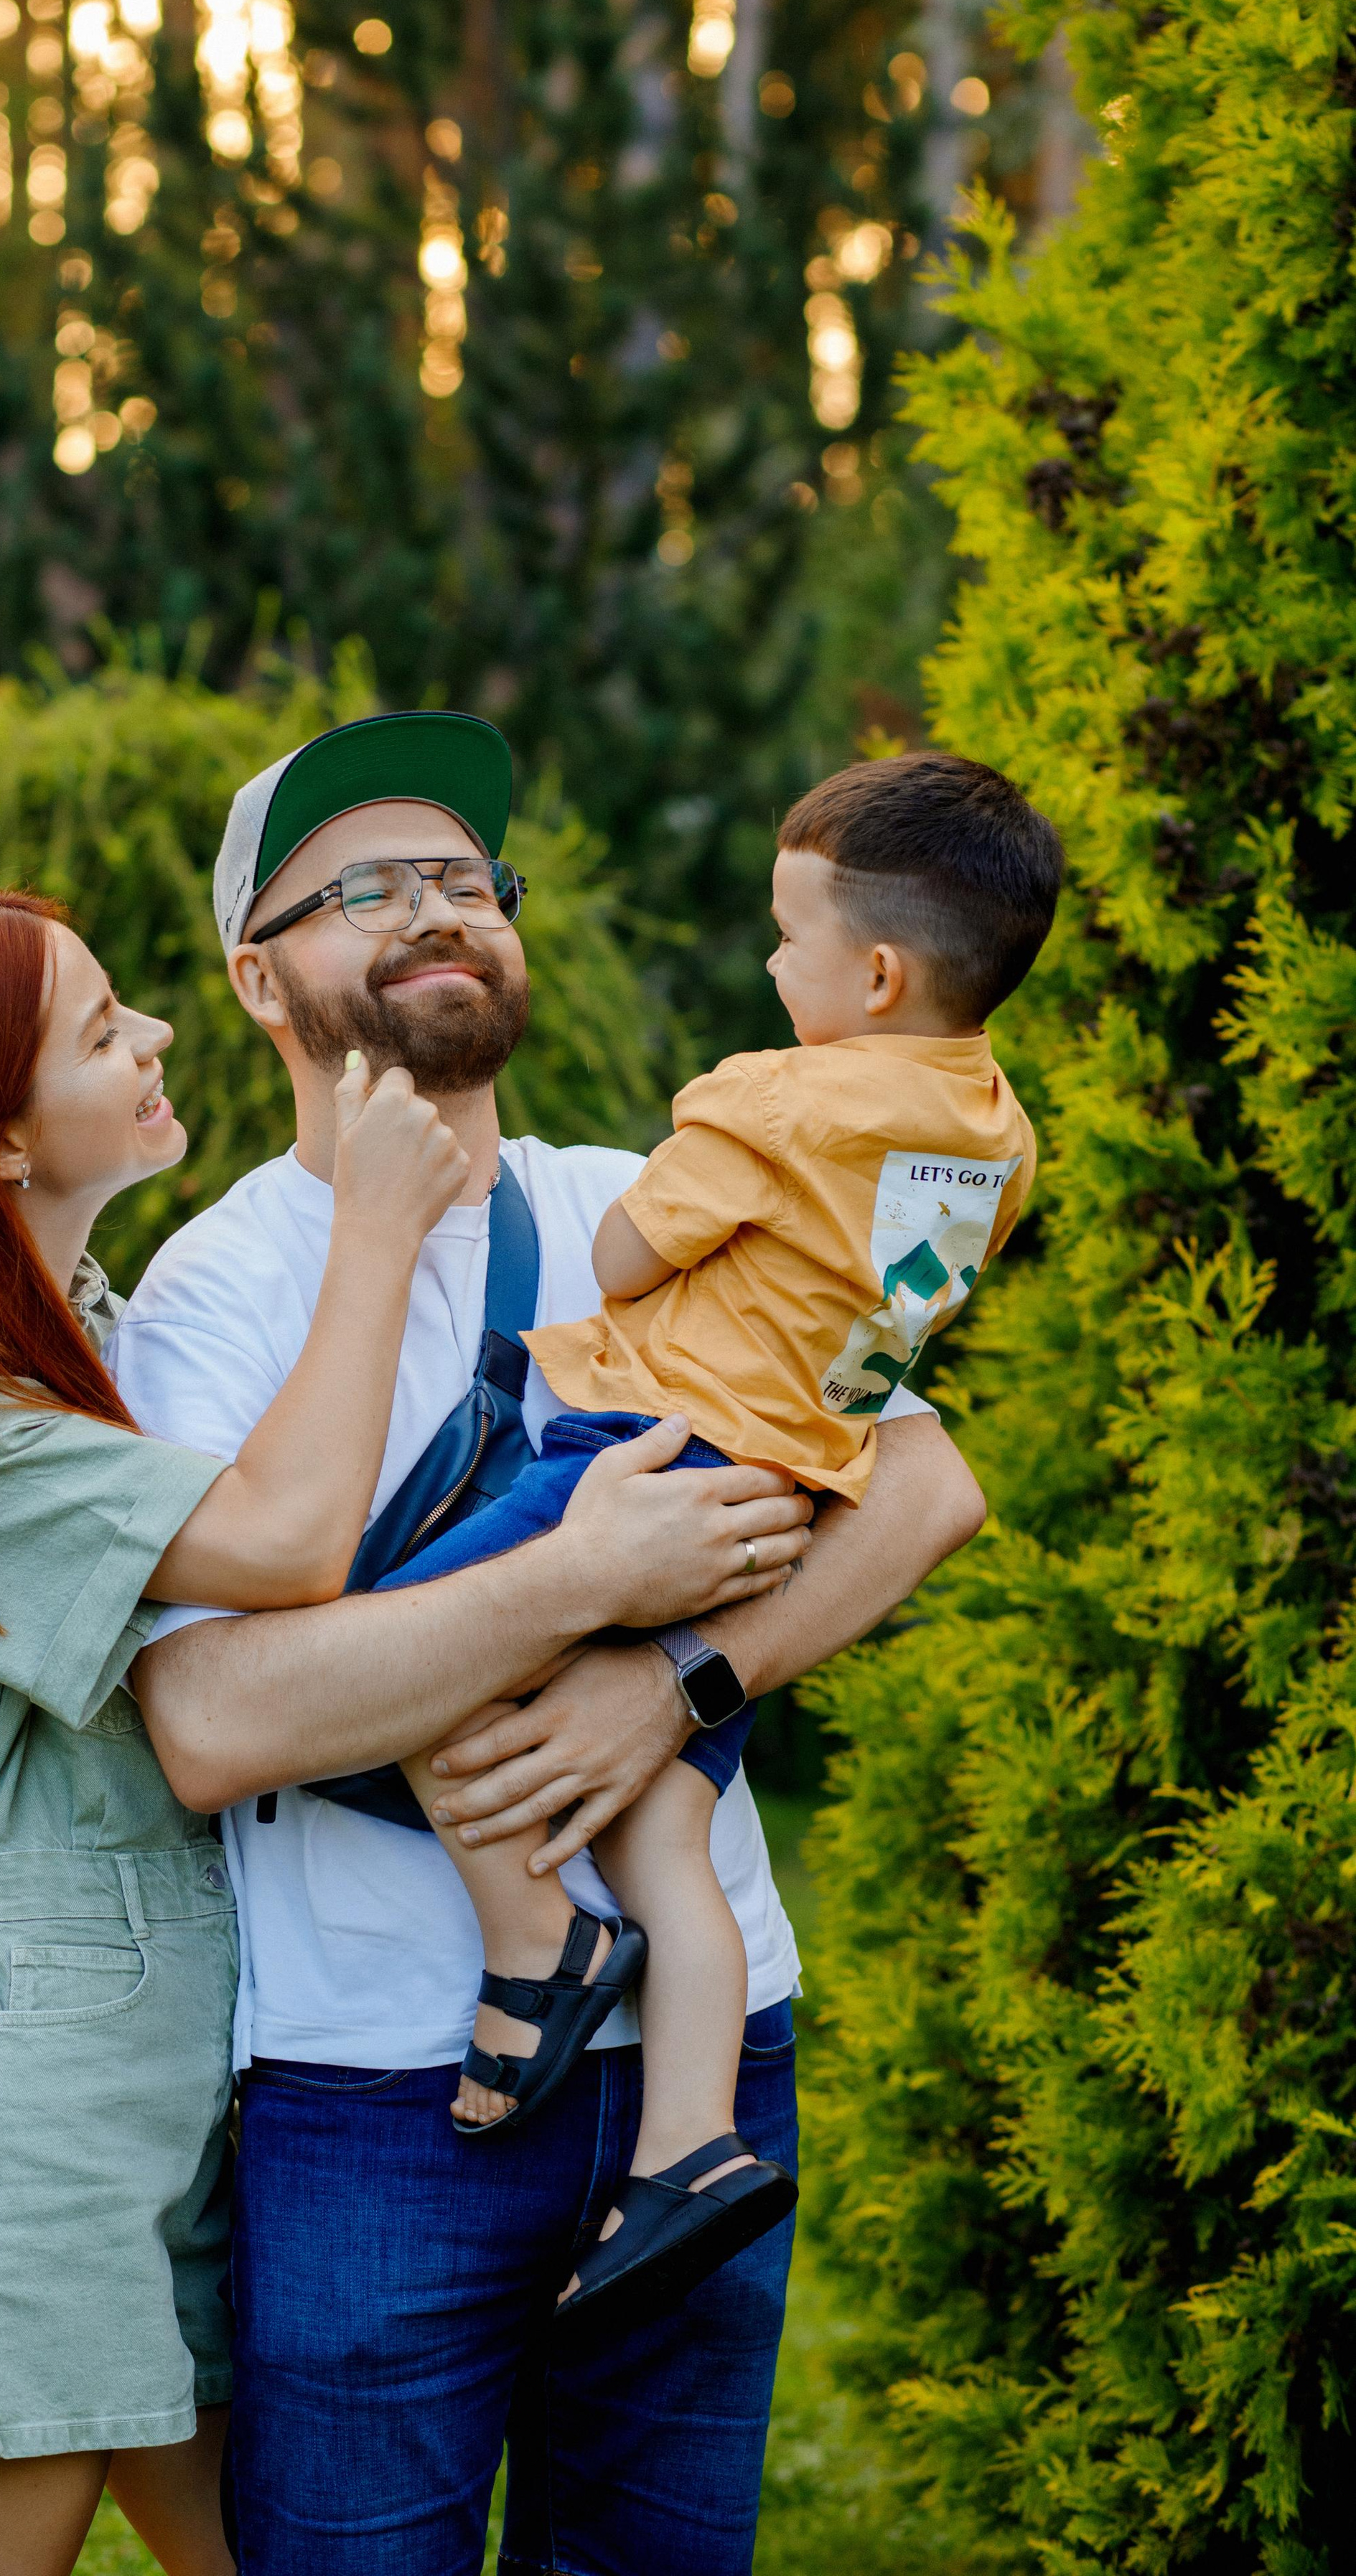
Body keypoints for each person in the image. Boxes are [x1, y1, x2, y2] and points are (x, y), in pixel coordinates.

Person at [0, 888, 780, 2576]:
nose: (156, 1038)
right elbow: (283, 1550)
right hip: (18, 2084)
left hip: (165, 2058)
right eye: (101, 1027)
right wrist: (368, 1238)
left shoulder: (76, 1345)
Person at [112, 711, 992, 2576]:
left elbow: (917, 1487)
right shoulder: (216, 1297)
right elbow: (204, 1723)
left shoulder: (641, 1204)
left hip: (714, 2053)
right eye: (372, 887)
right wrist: (580, 1580)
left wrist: (673, 1684)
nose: (441, 909)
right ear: (260, 978)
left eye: (465, 881)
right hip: (380, 2085)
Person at [368, 751, 1060, 2330]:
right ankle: (687, 2144)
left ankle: (532, 1944)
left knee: (393, 1653)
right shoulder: (996, 1135)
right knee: (665, 1835)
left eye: (784, 935)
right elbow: (884, 1339)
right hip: (795, 1490)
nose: (768, 964)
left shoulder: (774, 1094)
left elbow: (615, 1256)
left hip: (648, 1451)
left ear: (872, 973)